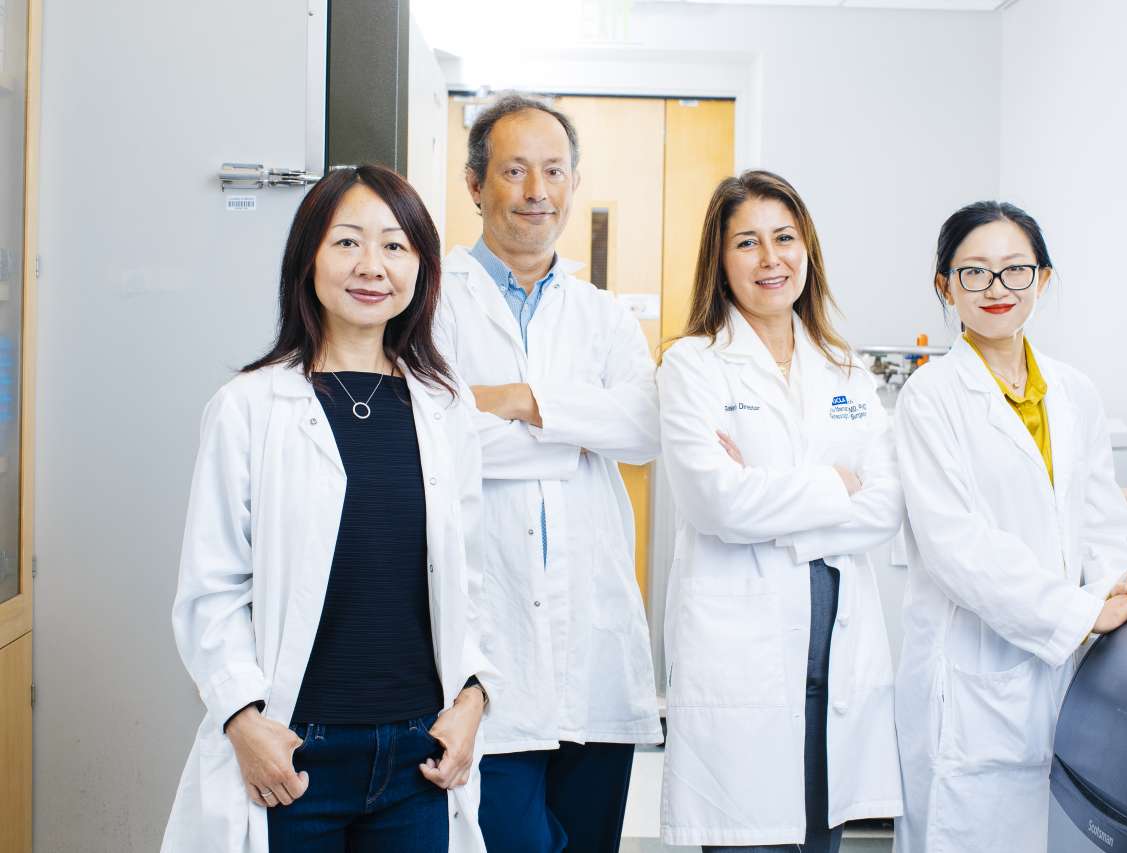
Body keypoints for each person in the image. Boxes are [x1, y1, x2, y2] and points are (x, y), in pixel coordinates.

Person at [161, 165, 494, 853]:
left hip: (420, 757)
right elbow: (211, 588)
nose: (372, 266)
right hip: (290, 755)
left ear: (421, 268)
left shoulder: (444, 406)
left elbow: (472, 578)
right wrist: (242, 720)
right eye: (347, 242)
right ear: (307, 258)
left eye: (395, 245)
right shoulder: (249, 407)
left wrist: (472, 699)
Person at [892, 201, 1127, 853]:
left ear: (1042, 279)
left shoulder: (1074, 392)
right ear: (945, 286)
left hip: (1059, 678)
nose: (997, 288)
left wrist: (1123, 579)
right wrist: (1080, 612)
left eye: (1015, 269)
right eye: (974, 272)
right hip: (968, 681)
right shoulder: (930, 398)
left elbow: (1099, 516)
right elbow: (958, 547)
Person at [435, 93, 663, 853]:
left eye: (554, 170)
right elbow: (440, 438)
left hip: (595, 643)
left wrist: (521, 400)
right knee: (509, 840)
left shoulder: (604, 314)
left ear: (573, 182)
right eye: (515, 170)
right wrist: (576, 433)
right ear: (476, 185)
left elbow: (642, 429)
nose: (537, 190)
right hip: (489, 642)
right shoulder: (431, 303)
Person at [657, 170, 905, 851]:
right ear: (720, 260)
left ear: (807, 248)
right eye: (747, 242)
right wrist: (835, 483)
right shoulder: (692, 365)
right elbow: (714, 502)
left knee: (823, 834)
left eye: (784, 238)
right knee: (751, 837)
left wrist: (765, 494)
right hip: (744, 661)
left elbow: (886, 504)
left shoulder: (844, 367)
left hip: (836, 657)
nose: (770, 259)